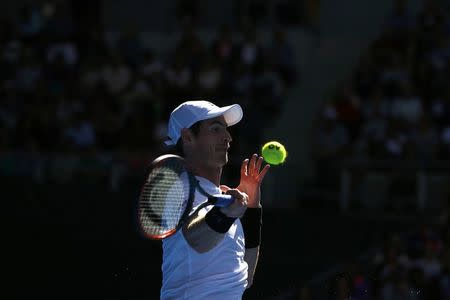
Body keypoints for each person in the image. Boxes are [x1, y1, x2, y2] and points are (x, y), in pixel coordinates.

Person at [160, 100, 270, 299]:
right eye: (216, 129)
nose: (228, 137)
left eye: (226, 130)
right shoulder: (179, 189)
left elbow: (245, 279)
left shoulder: (219, 199)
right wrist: (225, 213)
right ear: (187, 137)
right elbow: (195, 238)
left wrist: (252, 210)